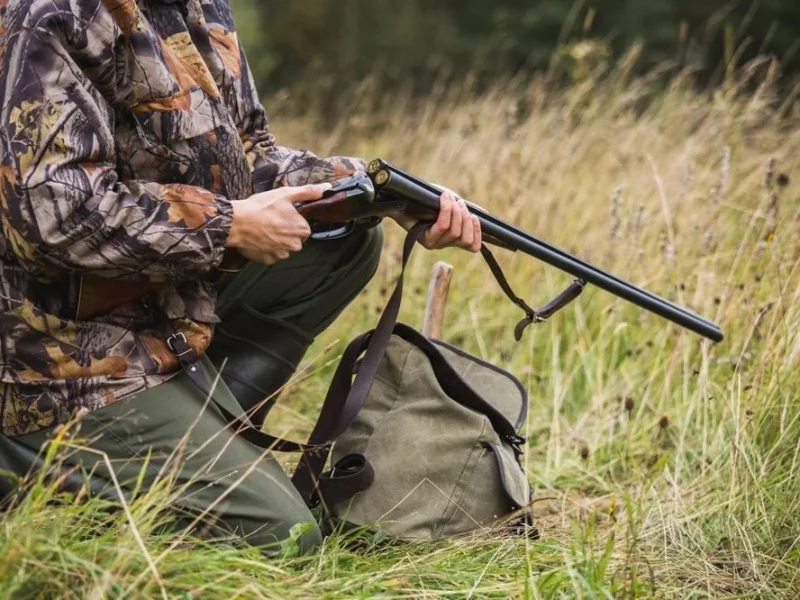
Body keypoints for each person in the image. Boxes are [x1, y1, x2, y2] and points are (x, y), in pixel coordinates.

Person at [0, 0, 480, 554]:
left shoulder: (203, 9)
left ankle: (197, 438)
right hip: (50, 358)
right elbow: (49, 212)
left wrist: (380, 192)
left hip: (157, 316)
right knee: (286, 538)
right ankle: (33, 463)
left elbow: (251, 159)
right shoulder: (55, 14)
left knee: (342, 241)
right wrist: (227, 225)